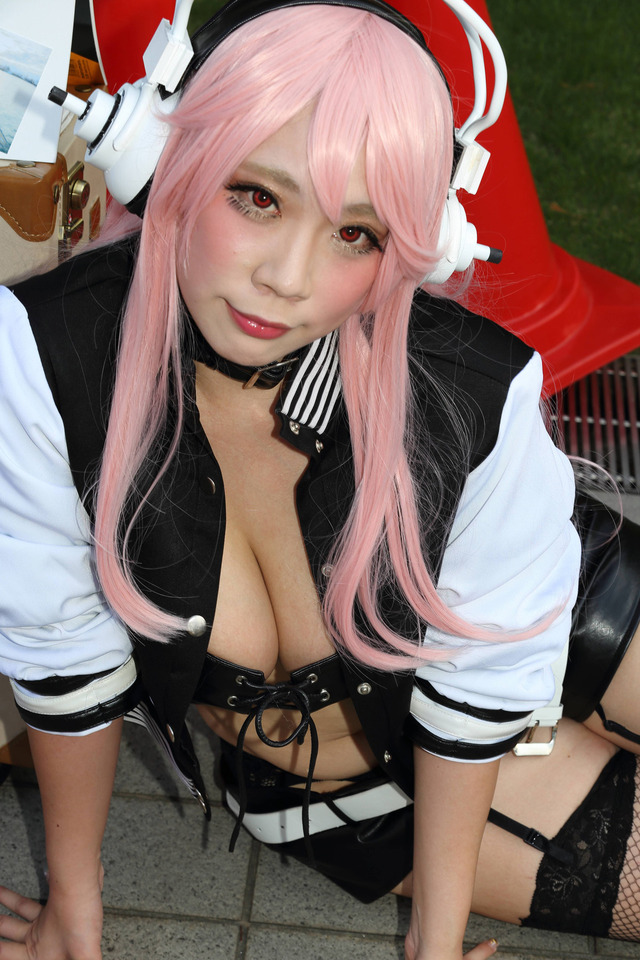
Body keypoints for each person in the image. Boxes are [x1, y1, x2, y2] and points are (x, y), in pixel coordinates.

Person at [1, 1, 640, 958]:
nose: (289, 278)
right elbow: (62, 654)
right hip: (359, 792)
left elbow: (487, 670)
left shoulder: (469, 382)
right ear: (170, 156)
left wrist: (434, 947)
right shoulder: (48, 354)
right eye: (257, 197)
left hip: (564, 610)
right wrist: (73, 916)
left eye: (357, 235)